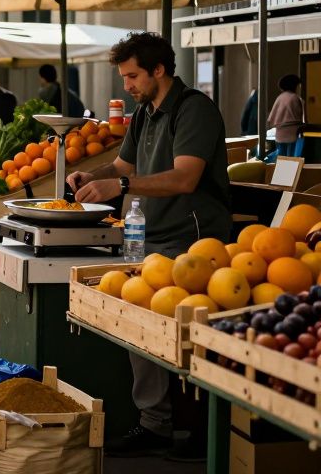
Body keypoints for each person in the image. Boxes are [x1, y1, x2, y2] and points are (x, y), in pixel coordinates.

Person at [68, 31, 231, 461]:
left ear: (159, 70)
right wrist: (92, 175)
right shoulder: (144, 113)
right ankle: (156, 424)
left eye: (133, 76)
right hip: (150, 238)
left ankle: (204, 431)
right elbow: (123, 164)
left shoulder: (194, 110)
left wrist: (120, 185)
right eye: (124, 77)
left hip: (193, 241)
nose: (127, 86)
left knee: (191, 335)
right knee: (139, 325)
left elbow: (185, 178)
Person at [268, 74, 305, 159]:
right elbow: (300, 116)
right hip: (293, 132)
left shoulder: (279, 98)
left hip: (280, 132)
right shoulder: (295, 97)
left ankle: (282, 167)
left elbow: (271, 118)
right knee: (291, 157)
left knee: (281, 156)